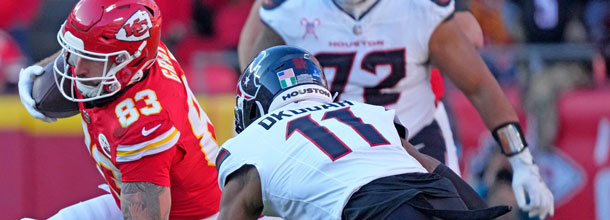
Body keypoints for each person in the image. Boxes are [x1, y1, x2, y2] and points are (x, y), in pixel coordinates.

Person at [236, 0, 554, 218]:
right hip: (331, 148)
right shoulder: (290, 10)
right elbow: (254, 77)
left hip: (414, 137)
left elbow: (480, 86)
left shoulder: (416, 9)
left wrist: (522, 160)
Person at [217, 45, 510, 220]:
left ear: (253, 105)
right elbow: (434, 168)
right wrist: (479, 210)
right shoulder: (362, 111)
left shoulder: (250, 144)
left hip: (374, 208)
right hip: (440, 198)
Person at [17, 0, 221, 219]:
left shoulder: (145, 124)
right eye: (76, 51)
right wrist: (40, 68)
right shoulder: (136, 52)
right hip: (130, 195)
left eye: (92, 58)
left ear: (125, 62)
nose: (78, 68)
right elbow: (91, 45)